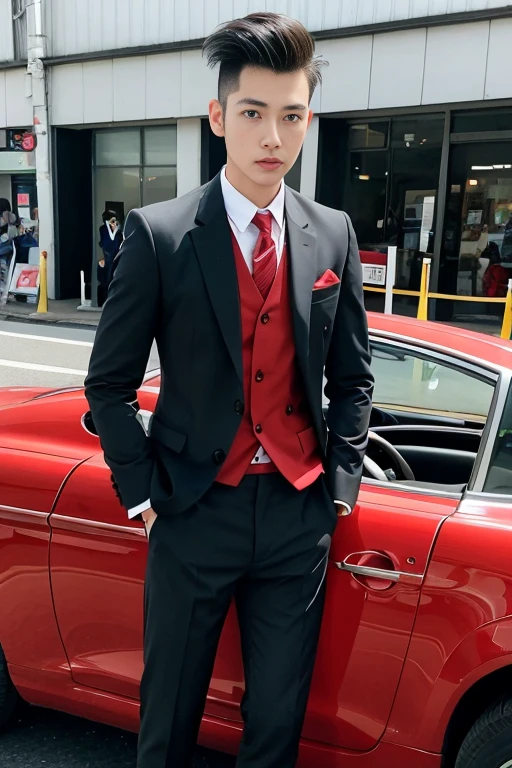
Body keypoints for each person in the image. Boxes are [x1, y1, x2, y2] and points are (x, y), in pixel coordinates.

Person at [85, 12, 373, 768]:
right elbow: (107, 385)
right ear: (219, 117)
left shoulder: (333, 233)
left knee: (277, 725)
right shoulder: (161, 234)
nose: (272, 137)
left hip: (295, 513)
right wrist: (144, 495)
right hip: (192, 508)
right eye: (253, 114)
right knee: (169, 716)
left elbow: (353, 377)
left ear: (309, 121)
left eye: (292, 116)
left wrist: (339, 487)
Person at [97, 208, 123, 306]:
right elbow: (105, 243)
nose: (114, 222)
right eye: (111, 220)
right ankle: (105, 300)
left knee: (115, 278)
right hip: (108, 257)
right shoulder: (103, 229)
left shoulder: (119, 231)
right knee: (106, 279)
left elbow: (119, 243)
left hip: (116, 257)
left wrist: (115, 230)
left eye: (115, 220)